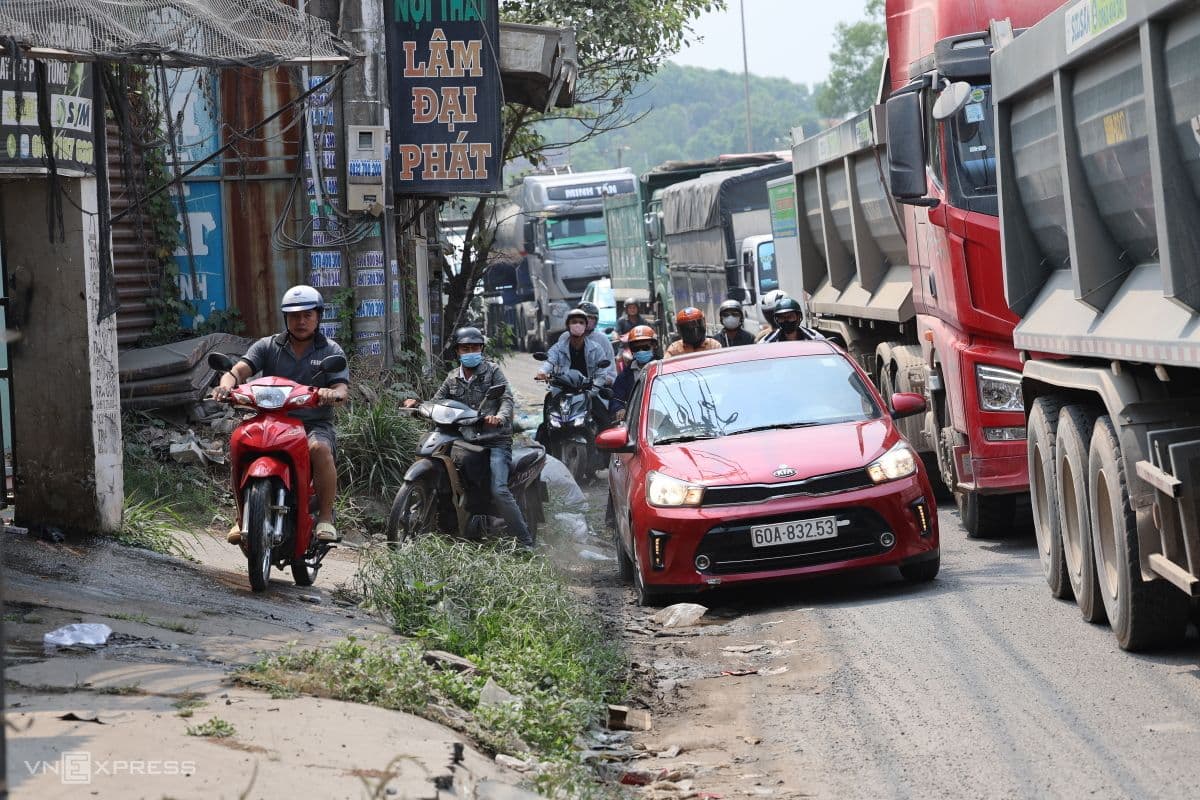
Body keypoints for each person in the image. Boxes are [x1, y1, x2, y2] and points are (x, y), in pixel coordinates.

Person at [212, 285, 349, 544]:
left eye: (307, 315)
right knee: (239, 441)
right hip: (270, 421)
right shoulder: (267, 345)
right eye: (294, 315)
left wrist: (335, 394)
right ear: (286, 318)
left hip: (312, 423)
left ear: (318, 316)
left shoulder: (330, 350)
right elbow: (238, 371)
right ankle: (241, 516)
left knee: (319, 449)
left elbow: (341, 385)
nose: (301, 321)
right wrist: (225, 386)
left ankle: (326, 518)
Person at [403, 327, 533, 548]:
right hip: (463, 440)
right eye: (465, 348)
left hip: (494, 441)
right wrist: (418, 405)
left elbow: (506, 400)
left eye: (474, 348)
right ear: (458, 352)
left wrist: (499, 418)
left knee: (499, 490)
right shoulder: (452, 377)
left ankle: (525, 541)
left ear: (481, 349)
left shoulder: (493, 372)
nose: (470, 351)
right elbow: (437, 401)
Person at [538, 307, 615, 429]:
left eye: (581, 322)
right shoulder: (559, 346)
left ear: (586, 326)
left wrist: (592, 391)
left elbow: (602, 373)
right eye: (574, 322)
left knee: (605, 422)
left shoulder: (596, 348)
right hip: (563, 390)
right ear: (568, 325)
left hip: (586, 391)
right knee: (548, 420)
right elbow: (550, 360)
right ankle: (546, 445)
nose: (577, 325)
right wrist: (542, 372)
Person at [609, 324, 658, 422]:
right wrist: (619, 409)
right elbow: (616, 398)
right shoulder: (625, 375)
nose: (641, 351)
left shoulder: (662, 367)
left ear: (654, 346)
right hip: (635, 420)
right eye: (636, 348)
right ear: (632, 350)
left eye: (645, 347)